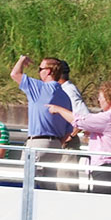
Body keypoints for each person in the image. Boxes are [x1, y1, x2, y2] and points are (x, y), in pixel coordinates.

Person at [48, 80, 111, 194]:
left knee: (103, 203)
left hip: (105, 168)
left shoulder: (108, 117)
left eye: (101, 97)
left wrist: (58, 109)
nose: (99, 100)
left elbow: (79, 121)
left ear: (109, 100)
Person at [10, 55, 72, 189]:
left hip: (38, 142)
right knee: (48, 187)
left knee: (26, 183)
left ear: (48, 71)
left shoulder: (39, 88)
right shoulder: (65, 96)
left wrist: (21, 59)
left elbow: (15, 74)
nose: (39, 72)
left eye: (40, 69)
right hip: (55, 145)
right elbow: (69, 129)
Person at [55, 59, 90, 190]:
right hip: (62, 143)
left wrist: (69, 137)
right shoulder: (63, 89)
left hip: (68, 145)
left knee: (65, 184)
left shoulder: (68, 90)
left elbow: (84, 117)